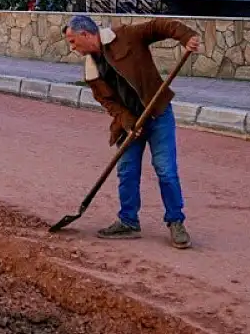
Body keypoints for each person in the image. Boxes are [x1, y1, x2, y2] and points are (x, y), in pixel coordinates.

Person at [63, 14, 201, 249]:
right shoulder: (90, 70)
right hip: (130, 124)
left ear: (86, 35)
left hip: (157, 113)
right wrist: (127, 122)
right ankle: (128, 221)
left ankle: (176, 222)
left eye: (73, 41)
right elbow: (108, 102)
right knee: (127, 171)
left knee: (165, 170)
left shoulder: (125, 36)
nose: (72, 47)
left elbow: (159, 26)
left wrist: (186, 37)